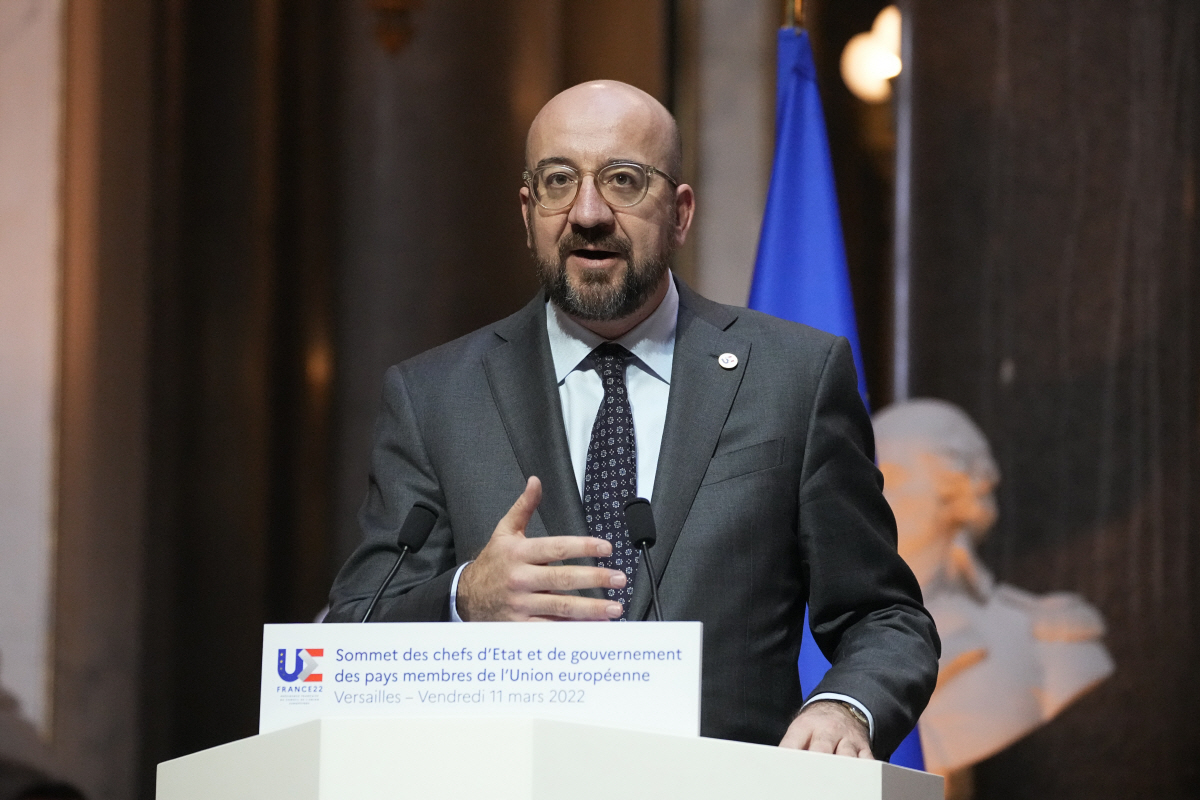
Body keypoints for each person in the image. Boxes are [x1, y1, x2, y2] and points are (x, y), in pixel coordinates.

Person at [326, 80, 939, 760]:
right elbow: (355, 625)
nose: (588, 213)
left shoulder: (792, 378)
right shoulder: (436, 396)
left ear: (679, 212)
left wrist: (845, 706)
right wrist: (465, 596)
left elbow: (885, 615)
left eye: (623, 180)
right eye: (559, 181)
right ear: (528, 211)